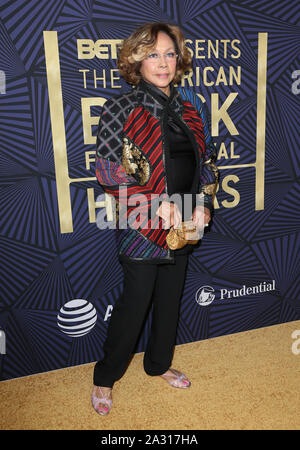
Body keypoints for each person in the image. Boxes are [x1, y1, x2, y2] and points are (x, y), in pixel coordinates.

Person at [92, 22, 219, 415]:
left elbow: (208, 161)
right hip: (141, 225)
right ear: (136, 60)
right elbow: (108, 171)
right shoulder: (122, 107)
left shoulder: (191, 104)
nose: (162, 63)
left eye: (169, 53)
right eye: (152, 54)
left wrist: (203, 203)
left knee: (169, 301)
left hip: (183, 221)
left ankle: (158, 365)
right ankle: (105, 377)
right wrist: (152, 204)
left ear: (178, 60)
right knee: (135, 306)